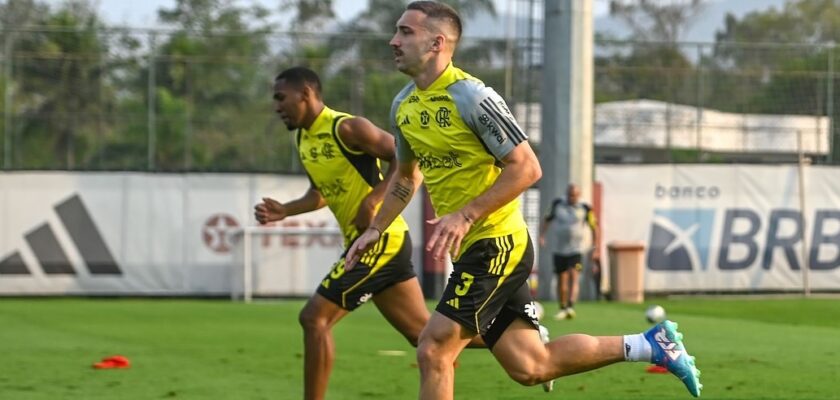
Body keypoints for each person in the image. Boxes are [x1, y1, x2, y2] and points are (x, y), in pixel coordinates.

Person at [345, 2, 702, 399]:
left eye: (405, 32)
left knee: (433, 348)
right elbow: (404, 179)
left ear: (437, 42)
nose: (393, 41)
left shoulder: (472, 97)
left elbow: (527, 167)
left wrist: (466, 214)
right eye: (396, 32)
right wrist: (376, 228)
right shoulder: (404, 106)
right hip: (474, 250)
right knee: (531, 366)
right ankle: (649, 344)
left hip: (497, 244)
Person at [254, 66, 431, 400]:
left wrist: (374, 199)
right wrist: (285, 210)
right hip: (365, 244)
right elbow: (319, 194)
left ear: (305, 93)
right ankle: (523, 336)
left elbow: (405, 159)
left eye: (281, 98)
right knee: (426, 335)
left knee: (313, 319)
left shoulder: (346, 127)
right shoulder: (303, 139)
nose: (276, 106)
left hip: (380, 240)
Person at [539, 183, 600, 320]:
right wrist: (542, 235)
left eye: (574, 195)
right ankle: (562, 307)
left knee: (574, 275)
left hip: (577, 249)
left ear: (579, 195)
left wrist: (595, 246)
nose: (571, 197)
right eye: (570, 194)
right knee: (562, 278)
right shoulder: (557, 204)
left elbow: (594, 227)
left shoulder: (585, 207)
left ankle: (570, 306)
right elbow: (546, 219)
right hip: (559, 248)